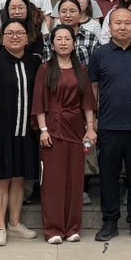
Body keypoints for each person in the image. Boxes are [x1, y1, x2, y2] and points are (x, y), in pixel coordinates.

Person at [89, 8, 131, 243]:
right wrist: (93, 121)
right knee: (108, 177)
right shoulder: (99, 55)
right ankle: (109, 222)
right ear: (109, 27)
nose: (122, 27)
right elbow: (93, 90)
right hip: (108, 126)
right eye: (117, 23)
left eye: (127, 23)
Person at [0, 20, 43, 246]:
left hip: (27, 132)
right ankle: (0, 227)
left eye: (20, 33)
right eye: (9, 33)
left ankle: (15, 224)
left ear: (28, 38)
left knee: (19, 179)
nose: (15, 37)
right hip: (1, 133)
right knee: (2, 179)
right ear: (2, 38)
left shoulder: (35, 62)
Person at [34, 25, 99, 244]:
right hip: (52, 129)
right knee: (53, 181)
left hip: (76, 128)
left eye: (67, 39)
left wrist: (90, 128)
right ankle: (53, 229)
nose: (63, 42)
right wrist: (43, 129)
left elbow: (88, 102)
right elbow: (39, 101)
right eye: (58, 39)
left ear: (73, 43)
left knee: (75, 180)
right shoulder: (45, 69)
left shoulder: (81, 69)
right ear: (52, 44)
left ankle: (72, 228)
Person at [55, 0, 99, 66]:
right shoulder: (51, 38)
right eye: (63, 11)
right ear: (59, 15)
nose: (68, 15)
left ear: (79, 14)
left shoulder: (91, 37)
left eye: (72, 11)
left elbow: (96, 65)